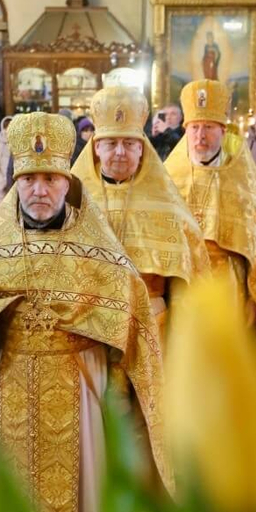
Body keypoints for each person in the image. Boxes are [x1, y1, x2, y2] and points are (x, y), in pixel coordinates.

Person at [0, 111, 172, 512]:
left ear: (68, 183)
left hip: (81, 384)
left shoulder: (98, 248)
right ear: (15, 184)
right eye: (29, 179)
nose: (40, 190)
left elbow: (132, 321)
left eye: (50, 179)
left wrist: (119, 383)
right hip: (13, 386)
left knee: (87, 492)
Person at [165, 79, 256, 385]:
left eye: (209, 127)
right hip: (181, 289)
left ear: (224, 131)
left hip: (230, 288)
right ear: (185, 130)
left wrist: (255, 301)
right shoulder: (169, 177)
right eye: (195, 127)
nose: (201, 135)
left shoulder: (243, 180)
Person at [72, 86, 210, 347]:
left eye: (129, 143)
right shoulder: (74, 200)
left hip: (152, 323)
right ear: (96, 147)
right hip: (89, 325)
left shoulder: (166, 202)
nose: (120, 152)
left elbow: (188, 278)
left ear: (142, 149)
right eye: (111, 143)